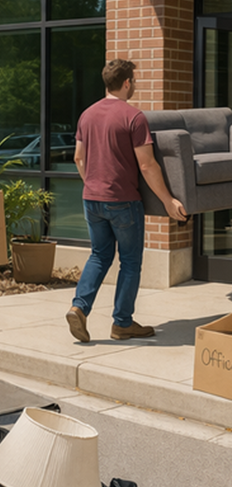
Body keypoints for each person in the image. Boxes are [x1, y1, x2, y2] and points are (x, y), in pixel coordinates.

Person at [67, 58, 187, 343]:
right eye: (134, 80)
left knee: (99, 255)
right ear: (126, 83)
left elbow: (78, 158)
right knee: (130, 261)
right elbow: (147, 166)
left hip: (91, 200)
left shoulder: (86, 115)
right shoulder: (134, 117)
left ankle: (78, 307)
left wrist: (94, 185)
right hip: (123, 202)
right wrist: (169, 200)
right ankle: (122, 323)